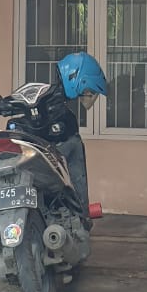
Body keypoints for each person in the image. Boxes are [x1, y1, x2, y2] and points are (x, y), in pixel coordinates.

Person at [44, 52, 108, 220]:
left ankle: (80, 212)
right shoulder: (58, 106)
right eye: (89, 90)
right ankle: (82, 212)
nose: (89, 94)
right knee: (74, 144)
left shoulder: (52, 99)